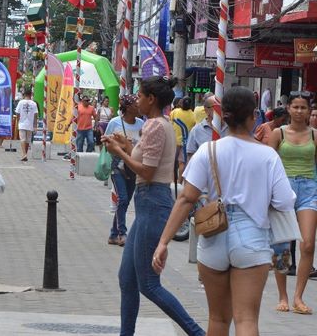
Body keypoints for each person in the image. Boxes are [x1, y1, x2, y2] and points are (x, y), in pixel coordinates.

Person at [153, 86, 296, 336]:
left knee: (218, 320)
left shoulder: (209, 150)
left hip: (213, 236)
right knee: (247, 321)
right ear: (254, 116)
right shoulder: (268, 156)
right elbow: (285, 201)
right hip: (252, 238)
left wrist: (163, 242)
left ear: (223, 115)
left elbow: (186, 198)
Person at [102, 76, 204, 336]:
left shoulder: (157, 126)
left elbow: (146, 171)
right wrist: (125, 146)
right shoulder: (156, 125)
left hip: (153, 202)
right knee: (127, 280)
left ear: (151, 99)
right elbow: (148, 158)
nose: (136, 101)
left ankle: (197, 333)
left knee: (148, 284)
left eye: (139, 96)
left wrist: (120, 152)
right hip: (147, 204)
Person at [268, 90, 317, 315]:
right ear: (288, 109)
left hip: (309, 190)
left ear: (309, 111)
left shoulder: (315, 135)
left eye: (303, 108)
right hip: (283, 190)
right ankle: (283, 295)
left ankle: (298, 296)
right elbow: (267, 164)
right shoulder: (278, 133)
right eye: (295, 107)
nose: (299, 111)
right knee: (282, 245)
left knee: (308, 244)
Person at [104, 94, 144, 246]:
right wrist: (121, 147)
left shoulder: (141, 124)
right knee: (123, 198)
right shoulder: (115, 123)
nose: (139, 106)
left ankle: (113, 234)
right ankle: (122, 233)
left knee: (124, 202)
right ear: (128, 108)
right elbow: (106, 144)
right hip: (118, 166)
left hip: (133, 166)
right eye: (136, 104)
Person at [170, 96, 196, 181]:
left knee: (172, 162)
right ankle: (179, 182)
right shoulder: (193, 115)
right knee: (182, 163)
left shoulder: (175, 112)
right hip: (185, 142)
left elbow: (170, 123)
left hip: (174, 141)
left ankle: (172, 181)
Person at [15, 88, 38, 161]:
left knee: (22, 139)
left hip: (22, 123)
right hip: (30, 124)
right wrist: (35, 125)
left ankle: (24, 154)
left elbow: (17, 113)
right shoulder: (34, 103)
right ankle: (25, 154)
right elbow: (35, 115)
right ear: (31, 95)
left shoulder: (21, 102)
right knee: (27, 140)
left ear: (24, 95)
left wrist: (18, 121)